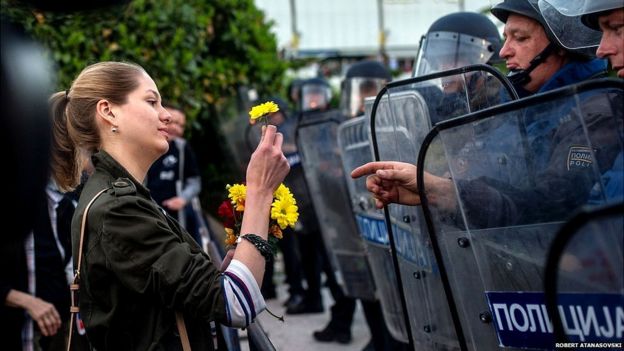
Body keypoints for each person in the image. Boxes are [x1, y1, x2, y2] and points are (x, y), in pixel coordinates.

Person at [49, 61, 289, 349]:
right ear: (108, 111)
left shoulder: (124, 197)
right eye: (152, 101)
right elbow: (237, 304)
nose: (165, 116)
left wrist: (223, 271)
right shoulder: (118, 209)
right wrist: (260, 192)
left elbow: (173, 295)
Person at [351, 0, 622, 226]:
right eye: (506, 38)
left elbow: (551, 203)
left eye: (520, 37)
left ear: (562, 45)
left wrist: (441, 190)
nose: (504, 51)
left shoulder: (595, 111)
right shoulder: (520, 106)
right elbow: (491, 177)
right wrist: (433, 188)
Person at [146, 104, 203, 244]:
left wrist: (182, 199)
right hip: (151, 215)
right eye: (172, 122)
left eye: (181, 125)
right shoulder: (146, 146)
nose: (176, 128)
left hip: (179, 218)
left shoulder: (182, 147)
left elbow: (194, 181)